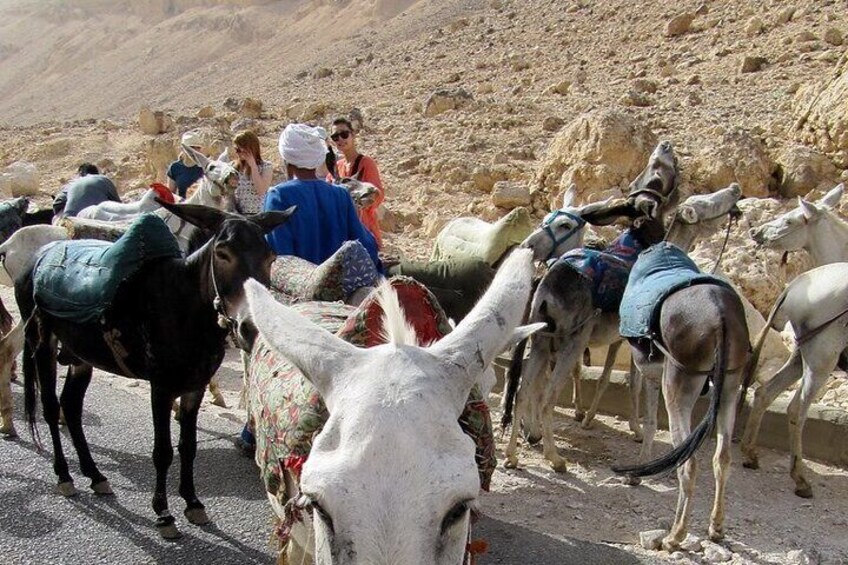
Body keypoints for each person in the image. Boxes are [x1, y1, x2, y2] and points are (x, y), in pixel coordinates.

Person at [264, 123, 381, 269]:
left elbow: (279, 259)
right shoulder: (341, 194)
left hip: (299, 288)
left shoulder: (278, 196)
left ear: (287, 160)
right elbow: (365, 245)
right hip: (341, 286)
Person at [329, 117, 385, 248]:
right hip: (342, 229)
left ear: (353, 135)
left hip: (364, 227)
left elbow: (377, 193)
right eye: (336, 137)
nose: (340, 140)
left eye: (344, 134)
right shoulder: (336, 166)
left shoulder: (366, 163)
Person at [52, 163, 120, 219]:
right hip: (96, 219)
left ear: (80, 173)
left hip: (70, 219)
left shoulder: (72, 184)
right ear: (97, 173)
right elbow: (117, 205)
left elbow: (57, 202)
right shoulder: (104, 180)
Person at [230, 130, 272, 215]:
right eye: (235, 149)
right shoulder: (232, 167)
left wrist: (253, 166)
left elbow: (261, 190)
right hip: (238, 215)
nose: (237, 153)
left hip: (257, 214)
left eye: (239, 150)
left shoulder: (266, 166)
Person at [166, 131, 205, 199]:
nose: (195, 150)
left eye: (198, 147)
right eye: (192, 147)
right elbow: (170, 194)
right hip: (183, 207)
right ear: (183, 149)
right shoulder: (175, 168)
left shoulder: (204, 168)